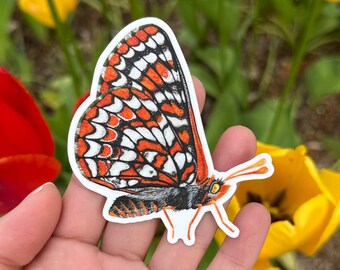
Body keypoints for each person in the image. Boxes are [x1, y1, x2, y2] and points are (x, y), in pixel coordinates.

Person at [0, 78, 270, 269]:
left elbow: (207, 207)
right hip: (124, 178)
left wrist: (218, 223)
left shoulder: (202, 191)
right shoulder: (190, 174)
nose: (216, 192)